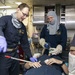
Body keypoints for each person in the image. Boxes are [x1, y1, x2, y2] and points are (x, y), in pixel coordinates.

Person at [0, 3, 36, 75]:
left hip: (15, 55)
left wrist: (30, 56)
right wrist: (1, 37)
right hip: (3, 55)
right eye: (24, 14)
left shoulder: (22, 27)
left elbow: (25, 44)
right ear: (18, 10)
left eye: (26, 15)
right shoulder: (5, 19)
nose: (25, 17)